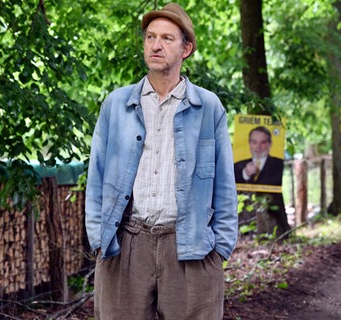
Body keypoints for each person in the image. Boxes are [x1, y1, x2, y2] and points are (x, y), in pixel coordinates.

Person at [85, 3, 238, 319]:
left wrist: (220, 248)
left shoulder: (208, 107)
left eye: (168, 38)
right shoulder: (116, 105)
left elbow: (225, 182)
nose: (156, 45)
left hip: (191, 247)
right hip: (126, 243)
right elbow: (96, 176)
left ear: (186, 49)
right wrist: (100, 239)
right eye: (150, 37)